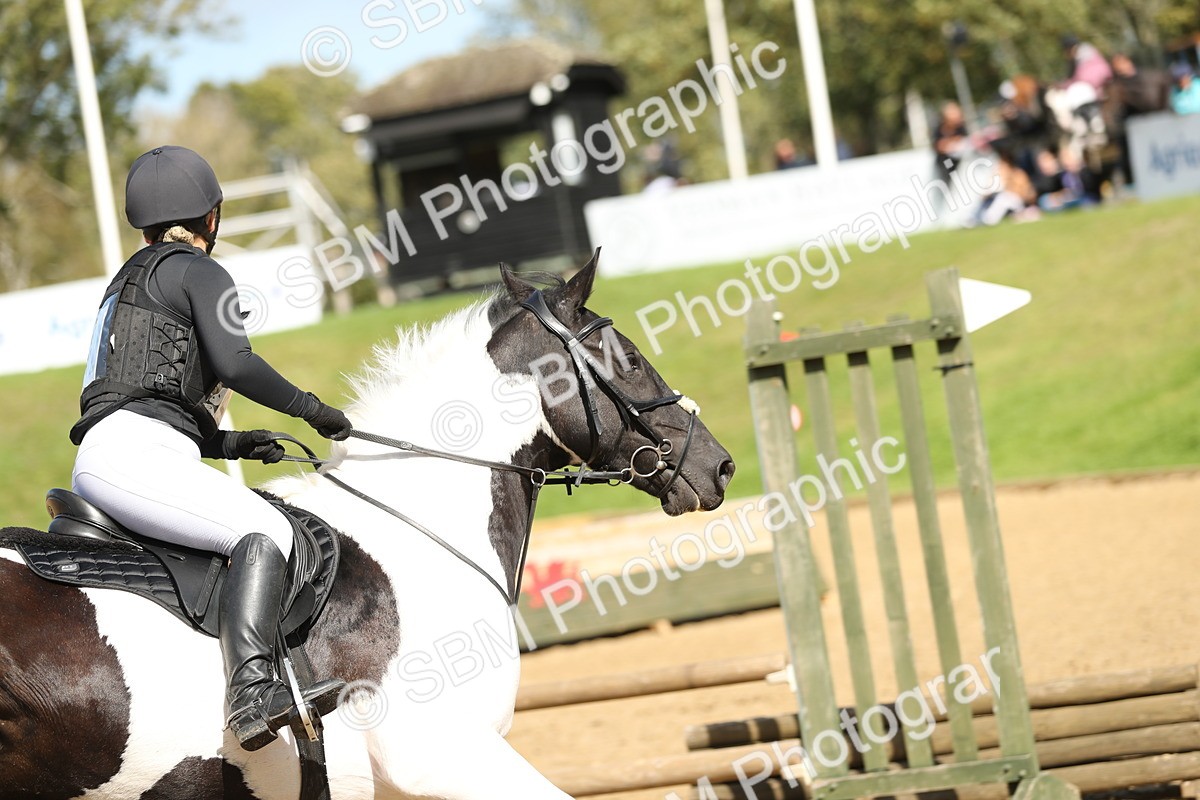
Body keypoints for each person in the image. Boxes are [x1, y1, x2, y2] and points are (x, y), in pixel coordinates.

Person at [71, 146, 351, 751]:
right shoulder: (201, 271)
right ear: (213, 217)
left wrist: (232, 442)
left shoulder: (122, 287)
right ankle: (251, 693)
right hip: (135, 454)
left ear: (141, 223)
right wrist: (313, 409)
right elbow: (235, 362)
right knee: (266, 532)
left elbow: (142, 396)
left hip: (113, 452)